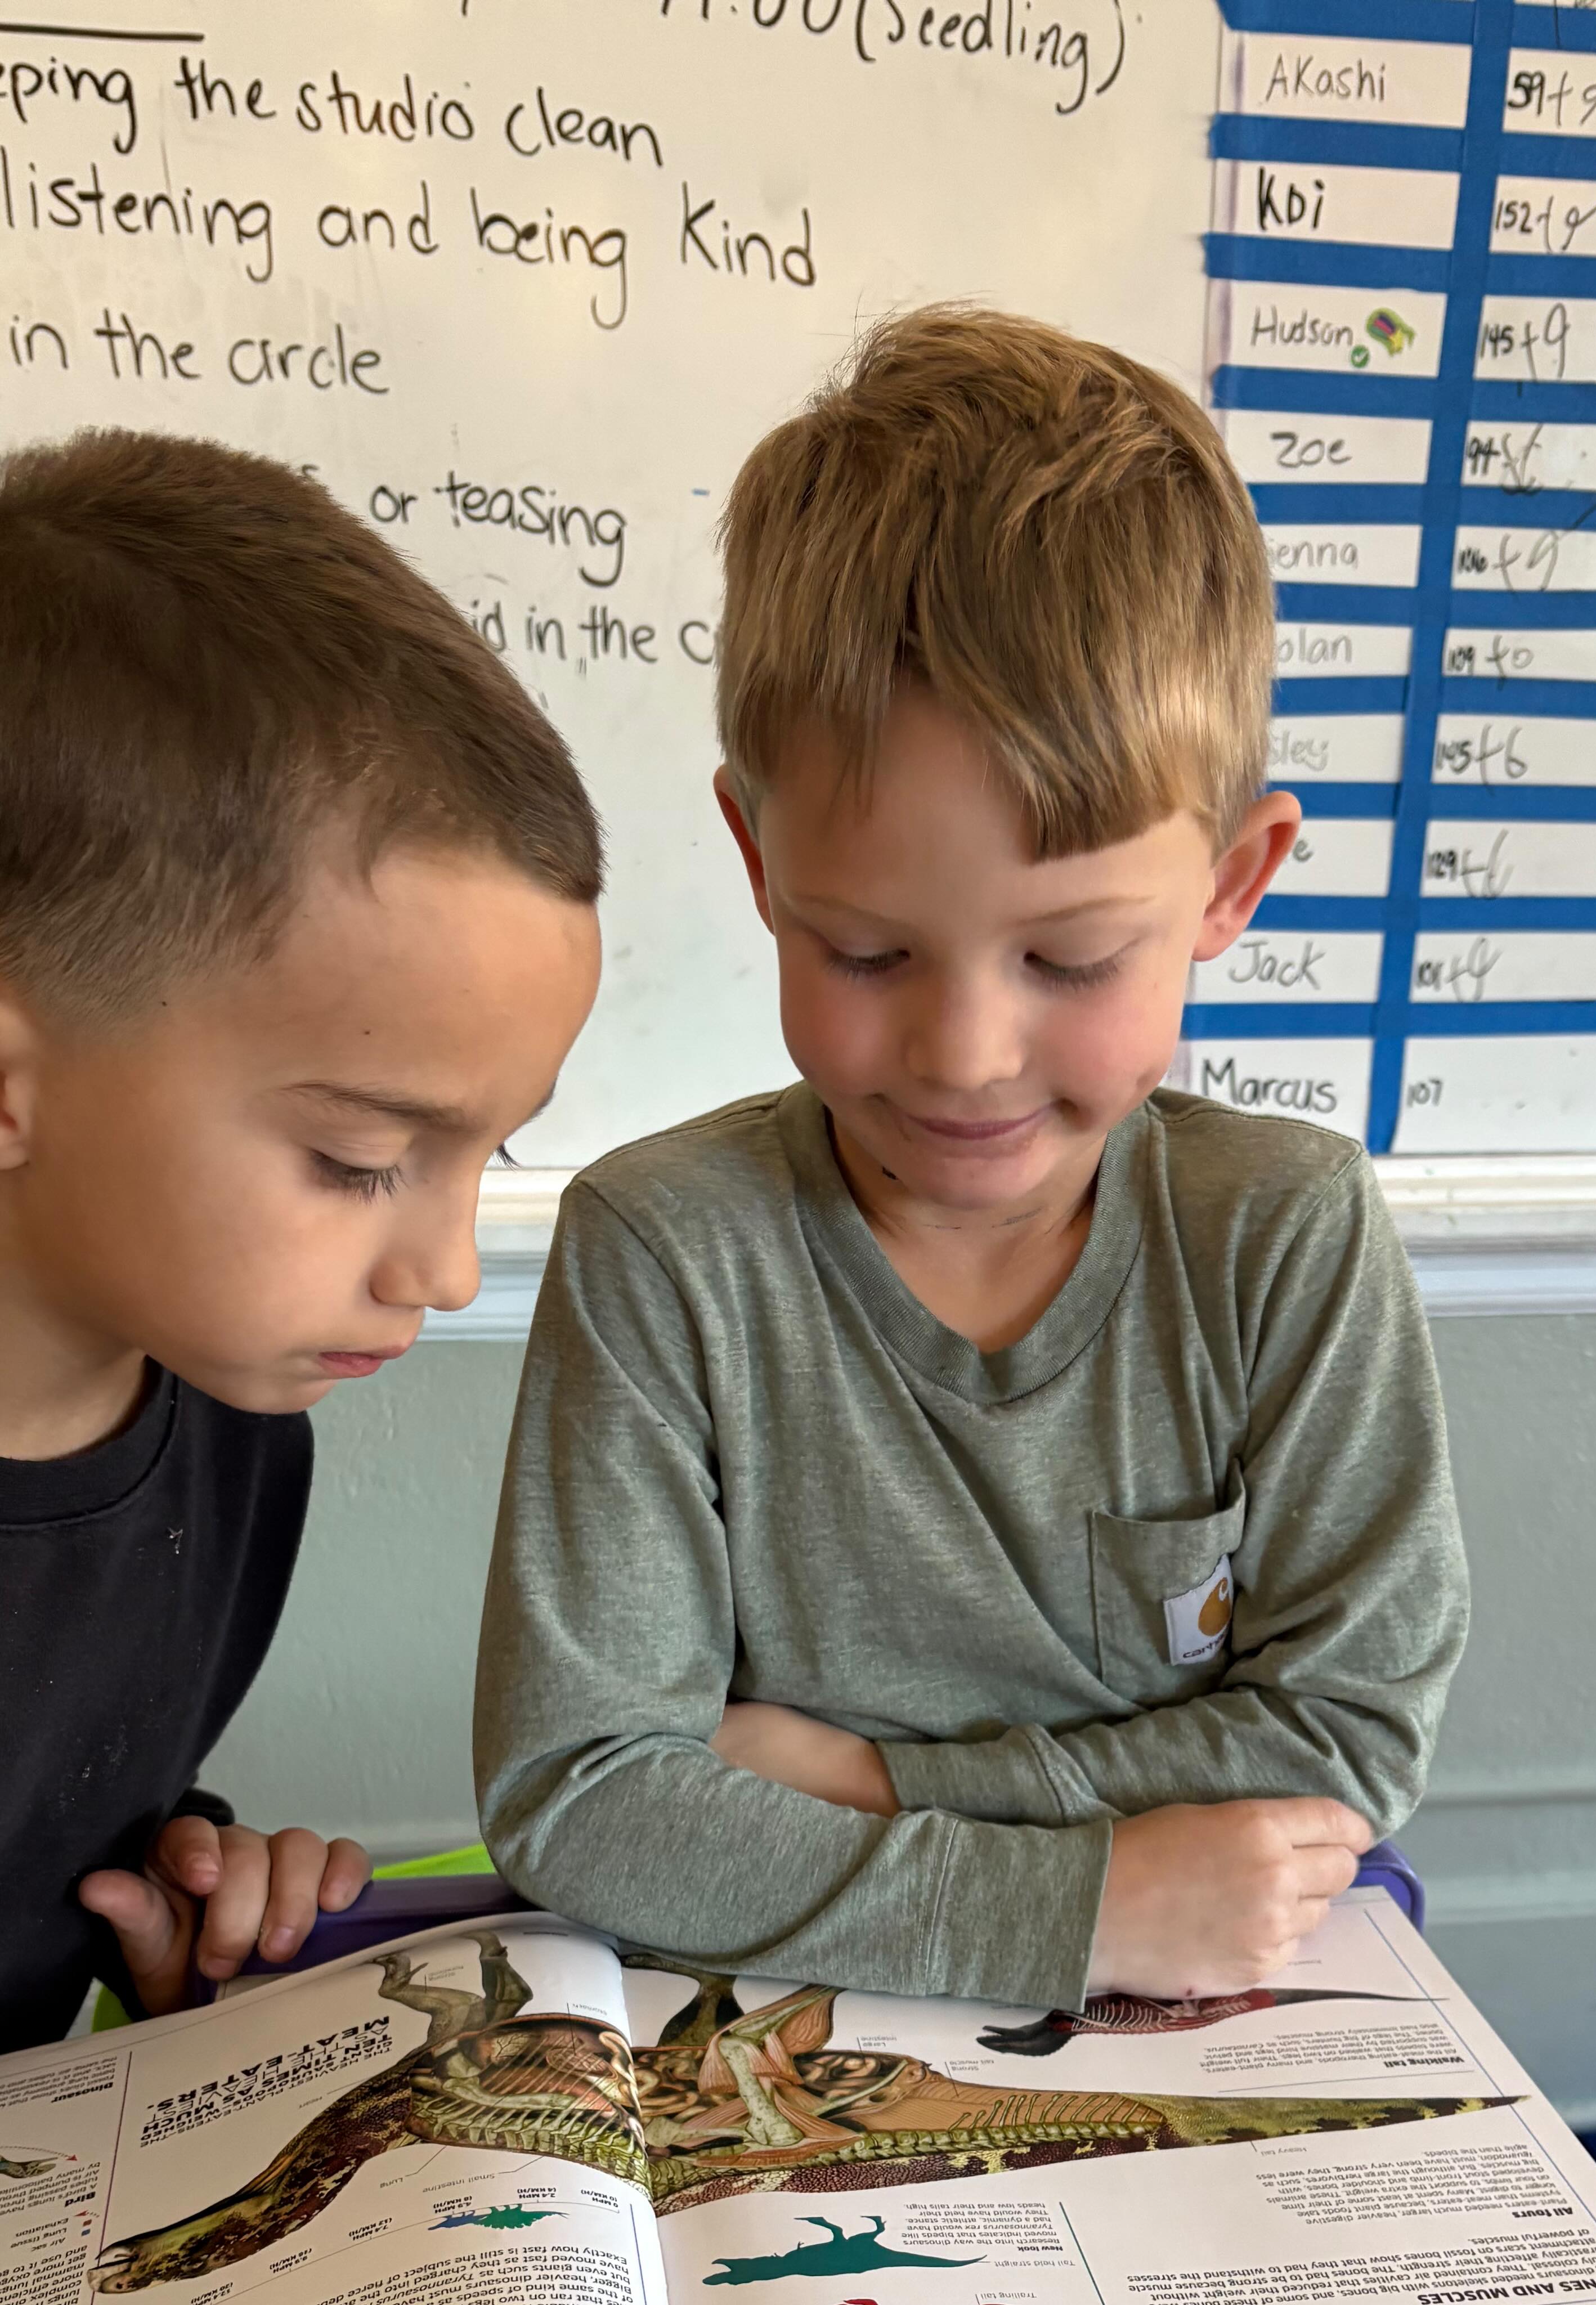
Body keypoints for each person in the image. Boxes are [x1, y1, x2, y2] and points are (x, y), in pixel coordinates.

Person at [476, 307, 1467, 2010]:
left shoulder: (1284, 1236)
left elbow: (1349, 1739)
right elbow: (581, 1795)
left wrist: (871, 1783)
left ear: (1232, 885)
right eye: (867, 953)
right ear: (758, 859)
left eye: (1071, 959)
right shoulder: (663, 1250)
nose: (962, 1055)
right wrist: (1080, 1906)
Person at [0, 429, 600, 2056]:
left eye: (489, 1153)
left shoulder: (232, 1430)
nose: (447, 1273)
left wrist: (176, 1905)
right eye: (362, 1160)